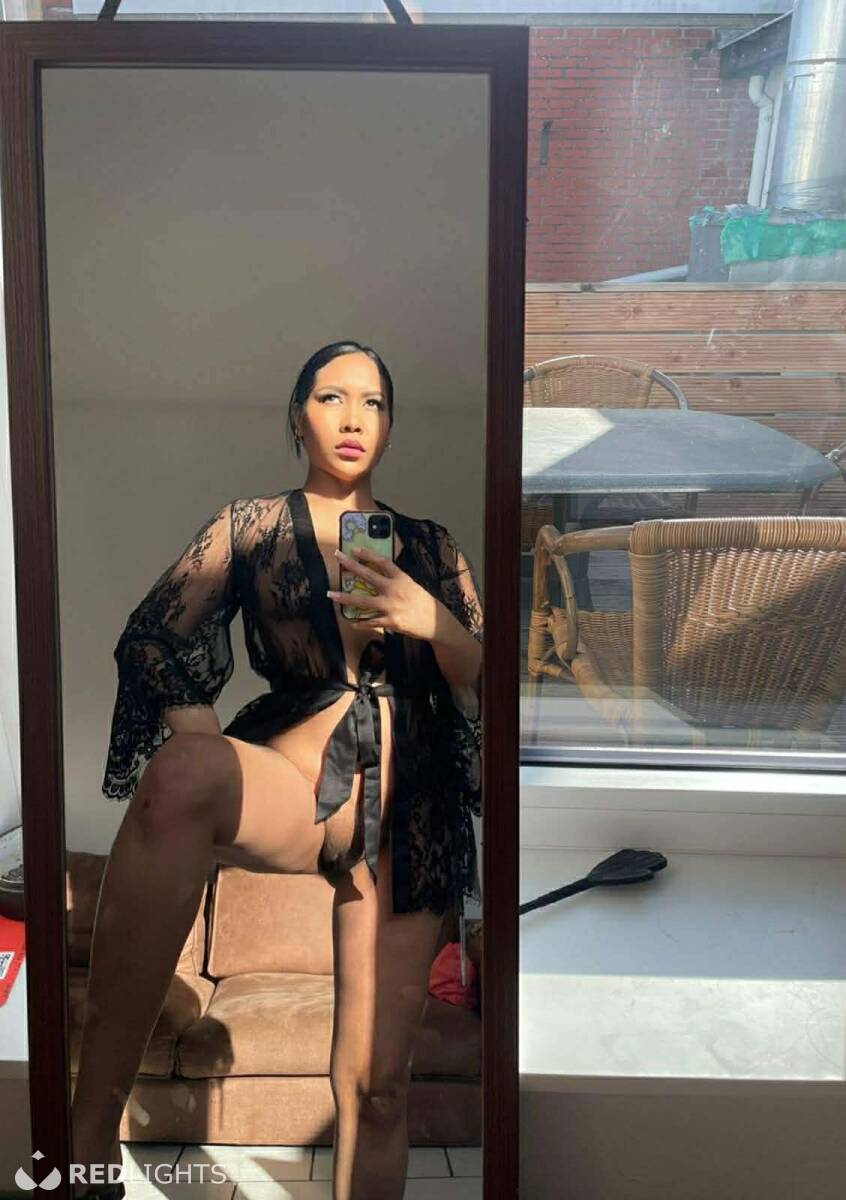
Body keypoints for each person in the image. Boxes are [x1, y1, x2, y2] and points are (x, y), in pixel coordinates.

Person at [70, 341, 483, 1200]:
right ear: (298, 415)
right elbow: (150, 637)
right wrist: (196, 733)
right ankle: (88, 1133)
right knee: (182, 775)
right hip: (296, 782)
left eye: (373, 403)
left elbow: (488, 682)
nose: (353, 418)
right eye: (332, 397)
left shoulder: (431, 546)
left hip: (410, 819)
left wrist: (428, 618)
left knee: (377, 1088)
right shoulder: (251, 526)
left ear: (390, 425)